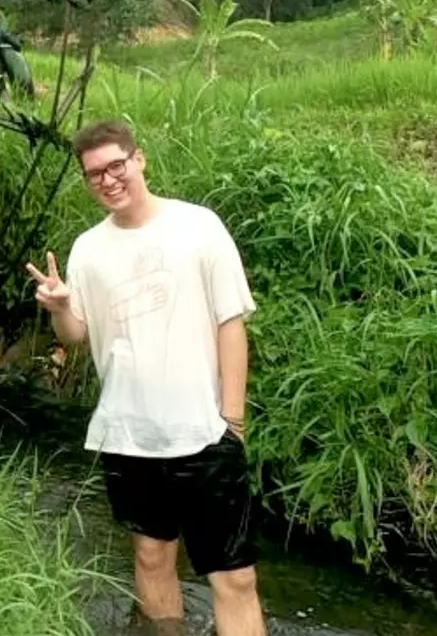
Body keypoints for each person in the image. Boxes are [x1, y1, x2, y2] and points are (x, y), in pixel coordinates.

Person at [26, 118, 265, 636]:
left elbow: (231, 323)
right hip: (128, 435)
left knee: (235, 578)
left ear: (140, 159)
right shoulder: (88, 248)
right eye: (95, 174)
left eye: (117, 166)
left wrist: (234, 420)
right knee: (152, 556)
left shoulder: (199, 227)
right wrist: (60, 307)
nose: (109, 180)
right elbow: (75, 336)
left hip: (204, 432)